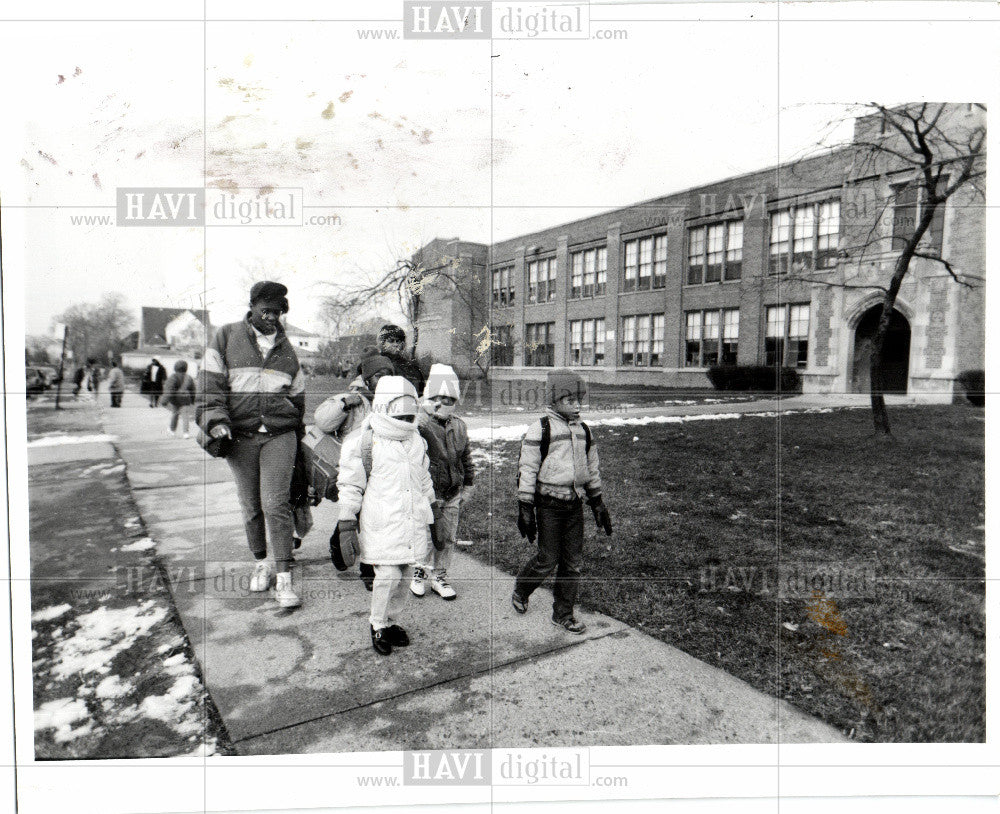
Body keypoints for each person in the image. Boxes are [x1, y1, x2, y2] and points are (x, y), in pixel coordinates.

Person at [196, 281, 306, 609]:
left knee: (276, 503)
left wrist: (297, 436)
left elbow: (297, 398)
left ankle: (284, 578)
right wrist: (215, 421)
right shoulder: (225, 337)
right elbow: (208, 385)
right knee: (251, 505)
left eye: (278, 312)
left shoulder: (287, 350)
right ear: (252, 307)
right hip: (240, 436)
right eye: (266, 311)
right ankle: (261, 563)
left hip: (279, 435)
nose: (272, 317)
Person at [336, 376, 440, 656]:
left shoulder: (416, 440)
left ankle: (392, 621)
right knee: (389, 576)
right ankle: (378, 624)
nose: (406, 419)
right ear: (384, 408)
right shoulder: (364, 441)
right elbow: (350, 484)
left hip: (411, 520)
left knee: (405, 575)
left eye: (410, 412)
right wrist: (347, 521)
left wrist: (435, 511)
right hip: (381, 522)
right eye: (400, 412)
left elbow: (424, 478)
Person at [510, 370, 613, 634]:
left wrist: (597, 502)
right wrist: (525, 508)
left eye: (579, 399)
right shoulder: (541, 428)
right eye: (570, 399)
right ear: (554, 400)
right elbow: (528, 468)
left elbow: (591, 468)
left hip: (574, 505)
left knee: (573, 563)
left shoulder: (584, 431)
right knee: (547, 559)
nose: (577, 404)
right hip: (549, 506)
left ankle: (563, 614)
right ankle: (522, 588)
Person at [412, 364, 474, 601]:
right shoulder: (421, 423)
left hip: (452, 491)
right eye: (437, 398)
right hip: (427, 492)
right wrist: (421, 410)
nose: (442, 403)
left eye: (448, 399)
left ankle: (439, 575)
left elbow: (465, 457)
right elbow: (410, 430)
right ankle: (419, 572)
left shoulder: (459, 425)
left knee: (447, 535)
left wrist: (468, 484)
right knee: (426, 536)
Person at [313, 354, 393, 440]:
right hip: (350, 451)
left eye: (388, 377)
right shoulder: (351, 398)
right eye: (379, 376)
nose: (384, 380)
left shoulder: (393, 400)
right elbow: (322, 424)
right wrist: (344, 404)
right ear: (367, 379)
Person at [375, 324, 425, 394]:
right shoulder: (377, 364)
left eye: (398, 341)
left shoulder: (410, 367)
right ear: (383, 343)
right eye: (391, 341)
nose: (395, 344)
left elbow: (420, 391)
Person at [160, 360, 196, 438]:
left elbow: (168, 390)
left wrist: (164, 401)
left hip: (175, 399)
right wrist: (193, 400)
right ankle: (186, 433)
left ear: (175, 367)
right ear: (186, 368)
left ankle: (172, 430)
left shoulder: (173, 377)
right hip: (185, 399)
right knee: (185, 416)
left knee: (175, 414)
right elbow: (193, 390)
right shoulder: (189, 377)